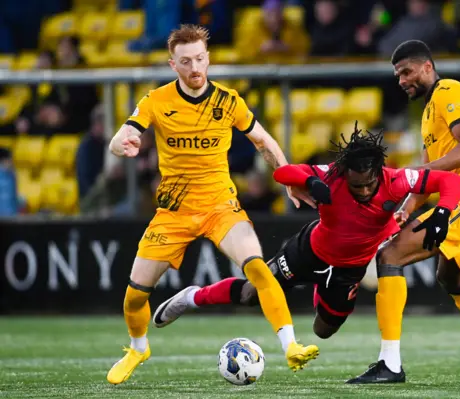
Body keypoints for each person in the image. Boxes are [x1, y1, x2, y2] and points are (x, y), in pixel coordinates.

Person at [106, 24, 319, 385]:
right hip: (173, 212)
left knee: (257, 267)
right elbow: (123, 135)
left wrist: (290, 181)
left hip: (221, 206)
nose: (195, 68)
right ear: (173, 64)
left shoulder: (228, 100)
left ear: (209, 58)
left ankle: (291, 345)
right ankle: (138, 347)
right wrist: (120, 144)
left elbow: (264, 141)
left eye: (200, 59)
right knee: (134, 297)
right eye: (185, 61)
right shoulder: (156, 101)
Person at [153, 124, 460, 368]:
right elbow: (283, 172)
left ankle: (320, 289)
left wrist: (442, 212)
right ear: (345, 174)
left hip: (347, 271)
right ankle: (191, 298)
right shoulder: (330, 177)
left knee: (322, 331)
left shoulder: (395, 180)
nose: (365, 190)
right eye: (358, 185)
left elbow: (450, 182)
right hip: (306, 253)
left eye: (370, 184)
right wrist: (311, 182)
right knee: (250, 294)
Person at [348, 40, 460, 384]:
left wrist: (418, 173)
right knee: (450, 278)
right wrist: (406, 208)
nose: (401, 80)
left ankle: (390, 364)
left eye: (406, 71)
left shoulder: (448, 90)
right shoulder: (430, 112)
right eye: (397, 74)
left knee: (391, 256)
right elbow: (430, 176)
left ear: (427, 67)